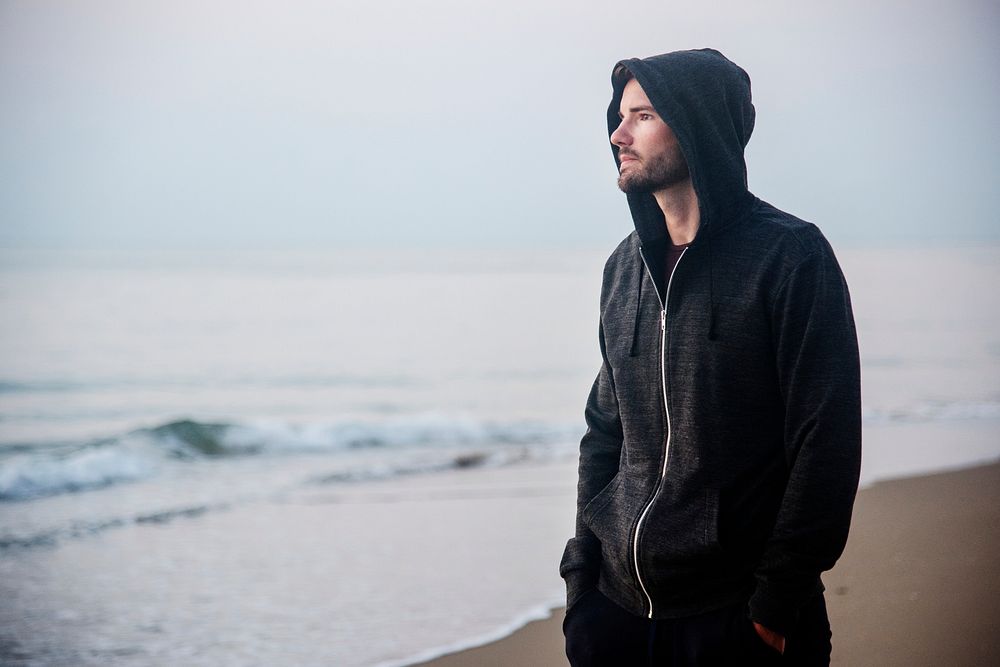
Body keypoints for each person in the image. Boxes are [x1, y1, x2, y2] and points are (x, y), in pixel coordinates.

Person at [559, 49, 862, 665]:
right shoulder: (624, 269)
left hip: (738, 616)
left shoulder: (789, 257)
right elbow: (604, 434)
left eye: (642, 117)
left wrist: (776, 603)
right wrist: (581, 581)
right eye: (620, 117)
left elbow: (825, 439)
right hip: (617, 614)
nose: (618, 135)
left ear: (696, 125)